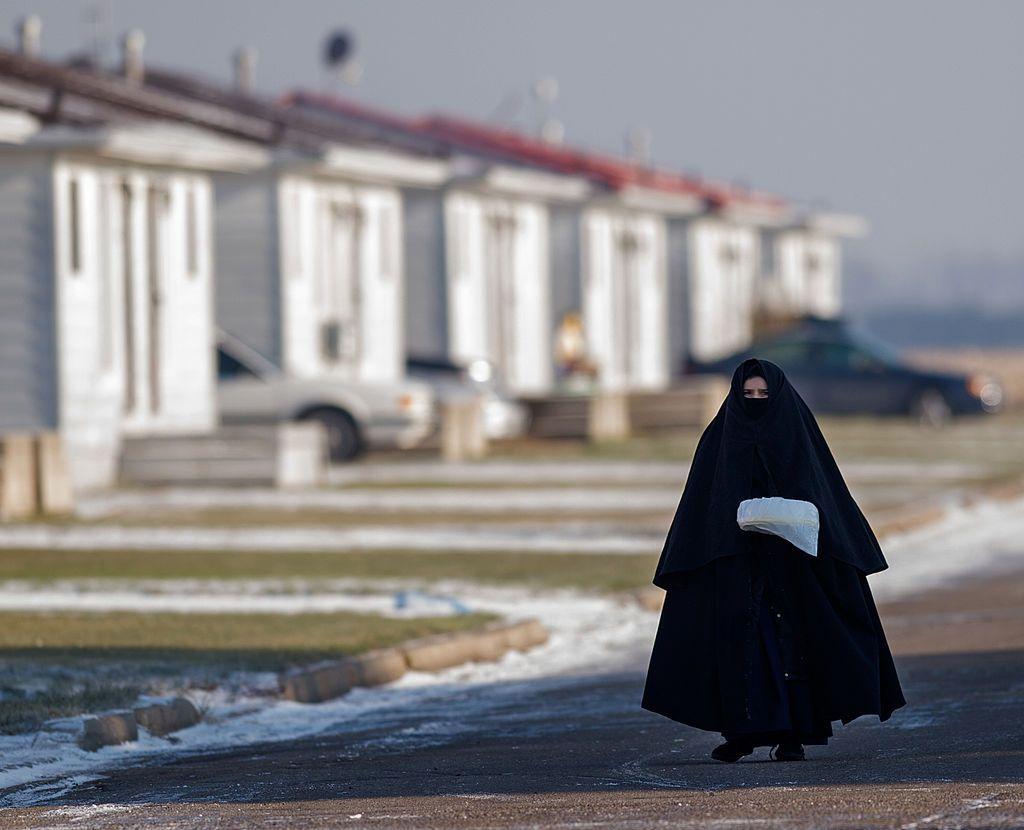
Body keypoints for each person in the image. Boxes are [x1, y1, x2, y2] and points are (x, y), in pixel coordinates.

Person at [640, 357, 906, 762]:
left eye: (764, 394)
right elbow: (704, 501)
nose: (756, 401)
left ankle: (793, 735)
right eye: (749, 394)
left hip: (793, 566)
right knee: (742, 647)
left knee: (792, 648)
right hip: (736, 564)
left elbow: (822, 491)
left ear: (777, 395)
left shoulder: (796, 432)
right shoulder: (722, 437)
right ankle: (742, 733)